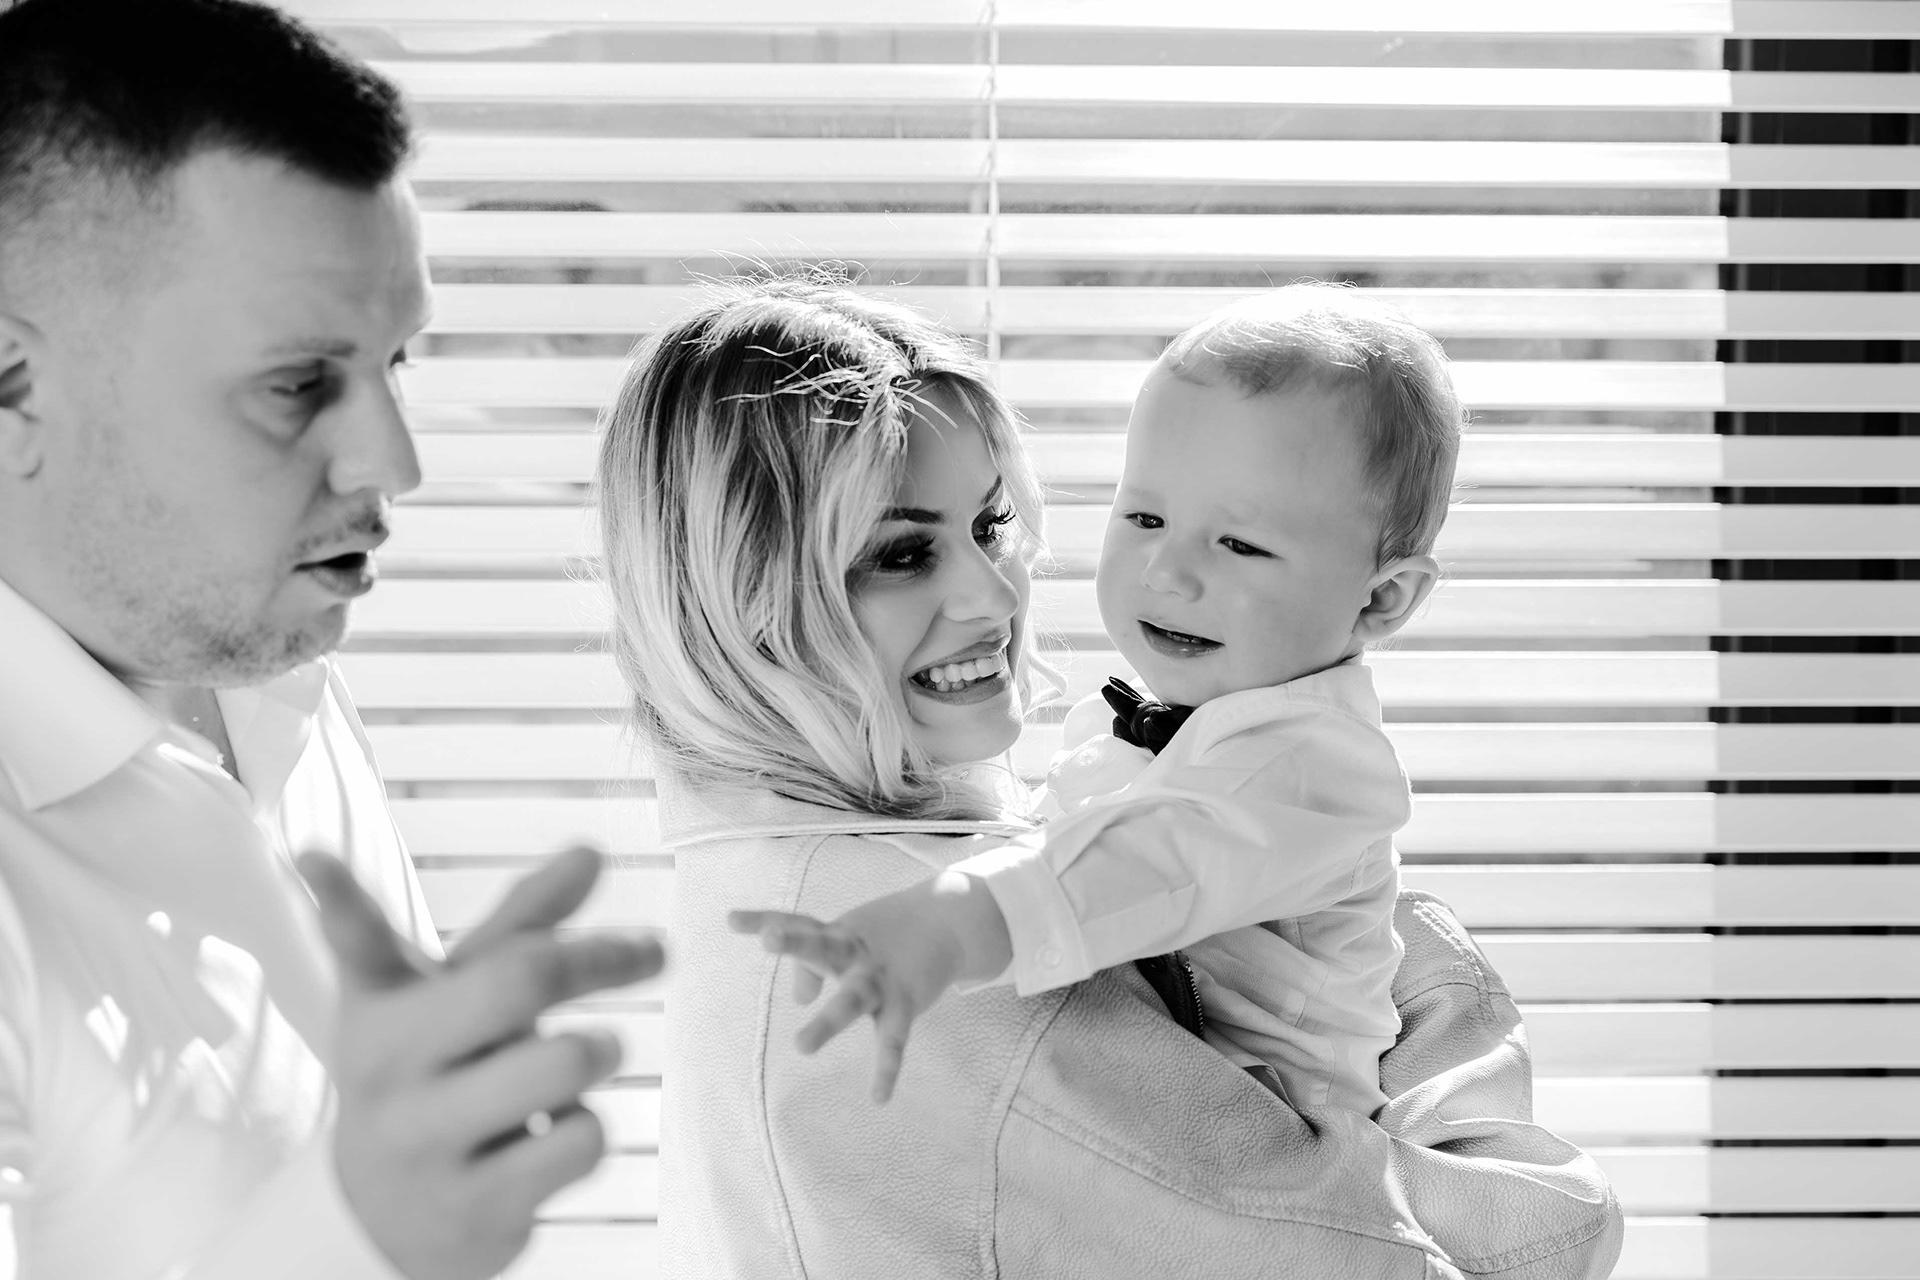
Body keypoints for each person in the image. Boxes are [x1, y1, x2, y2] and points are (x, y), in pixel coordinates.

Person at [600, 276, 1621, 1276]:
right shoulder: (935, 964)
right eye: (903, 554)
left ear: (1383, 596)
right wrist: (1435, 976)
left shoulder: (766, 880)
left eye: (991, 525)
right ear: (743, 595)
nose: (996, 593)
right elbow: (1535, 1239)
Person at [0, 2, 662, 1278]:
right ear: (16, 385)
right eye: (300, 384)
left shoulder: (279, 680)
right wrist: (364, 1228)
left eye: (397, 360)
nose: (393, 461)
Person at [738, 287, 1456, 1124]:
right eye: (1145, 517)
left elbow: (1153, 859)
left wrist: (953, 922)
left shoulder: (1317, 763)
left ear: (1383, 599)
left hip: (1293, 1142)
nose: (1165, 573)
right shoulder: (1143, 722)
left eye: (1240, 545)